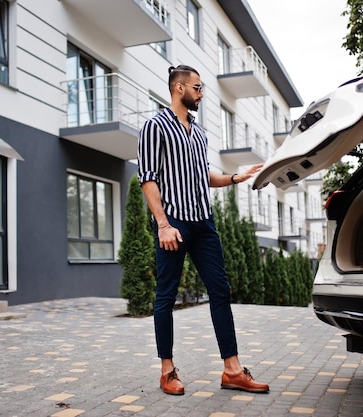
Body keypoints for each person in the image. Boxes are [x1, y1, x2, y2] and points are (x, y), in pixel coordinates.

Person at [137, 64, 269, 396]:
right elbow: (148, 179)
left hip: (204, 223)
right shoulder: (155, 127)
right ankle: (167, 371)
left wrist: (237, 177)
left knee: (220, 292)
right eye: (197, 88)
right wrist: (163, 224)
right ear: (179, 88)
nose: (201, 94)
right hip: (175, 224)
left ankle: (233, 370)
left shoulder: (199, 133)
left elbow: (203, 176)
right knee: (166, 296)